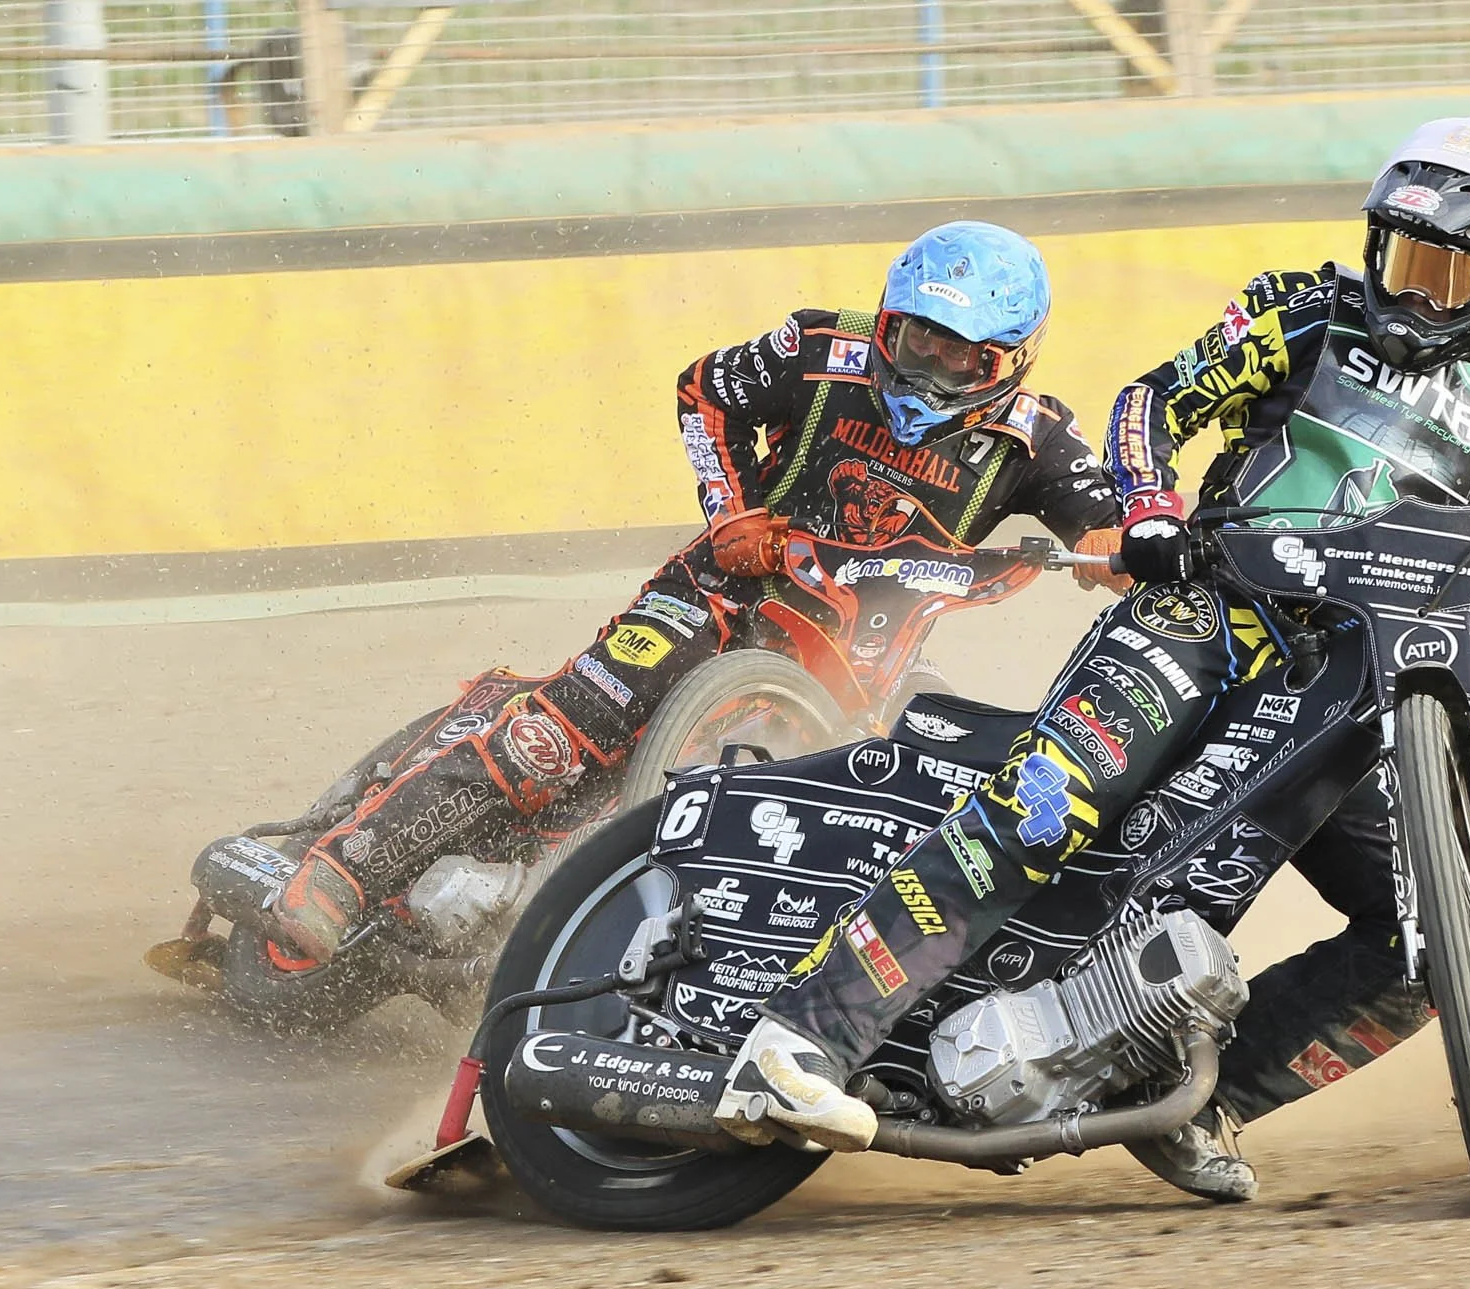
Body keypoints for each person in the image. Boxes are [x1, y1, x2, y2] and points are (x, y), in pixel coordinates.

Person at [711, 117, 1470, 1196]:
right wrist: (1148, 509)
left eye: (1447, 274)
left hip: (1359, 680)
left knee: (1429, 941)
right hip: (1201, 617)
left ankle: (1211, 1096)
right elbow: (1153, 398)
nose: (1411, 294)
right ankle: (796, 1037)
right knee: (1042, 809)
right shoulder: (1304, 309)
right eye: (1398, 258)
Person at [269, 221, 1123, 966]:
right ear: (890, 322)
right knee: (577, 716)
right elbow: (703, 388)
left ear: (1010, 359)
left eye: (960, 352)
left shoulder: (1039, 436)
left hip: (853, 654)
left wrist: (1110, 545)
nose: (930, 366)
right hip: (720, 587)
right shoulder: (821, 347)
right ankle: (345, 870)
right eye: (917, 339)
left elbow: (1113, 518)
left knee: (898, 806)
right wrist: (734, 511)